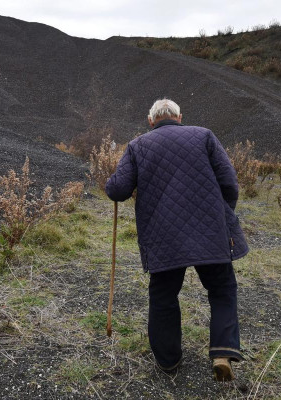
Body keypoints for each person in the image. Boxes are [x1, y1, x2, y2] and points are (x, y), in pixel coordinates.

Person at [105, 99, 248, 381]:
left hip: (163, 236)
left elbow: (119, 189)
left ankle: (169, 361)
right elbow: (230, 182)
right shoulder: (204, 135)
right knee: (222, 289)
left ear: (151, 121)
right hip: (210, 230)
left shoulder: (137, 146)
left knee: (163, 296)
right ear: (180, 117)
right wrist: (221, 215)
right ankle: (222, 350)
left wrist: (110, 181)